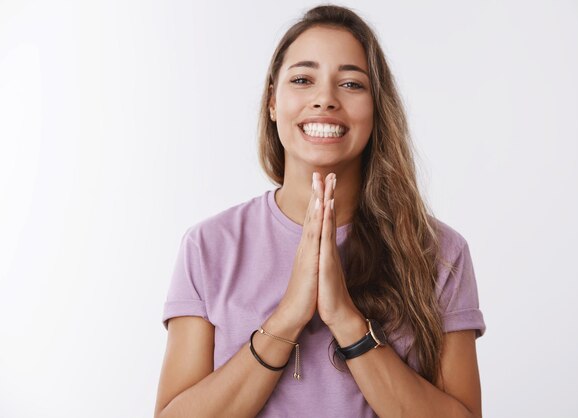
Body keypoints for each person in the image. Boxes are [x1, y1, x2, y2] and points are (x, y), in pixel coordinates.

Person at [154, 4, 486, 418]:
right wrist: (289, 315)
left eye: (350, 83)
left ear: (377, 108)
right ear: (273, 102)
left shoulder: (440, 252)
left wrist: (345, 319)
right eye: (302, 79)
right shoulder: (208, 246)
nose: (325, 99)